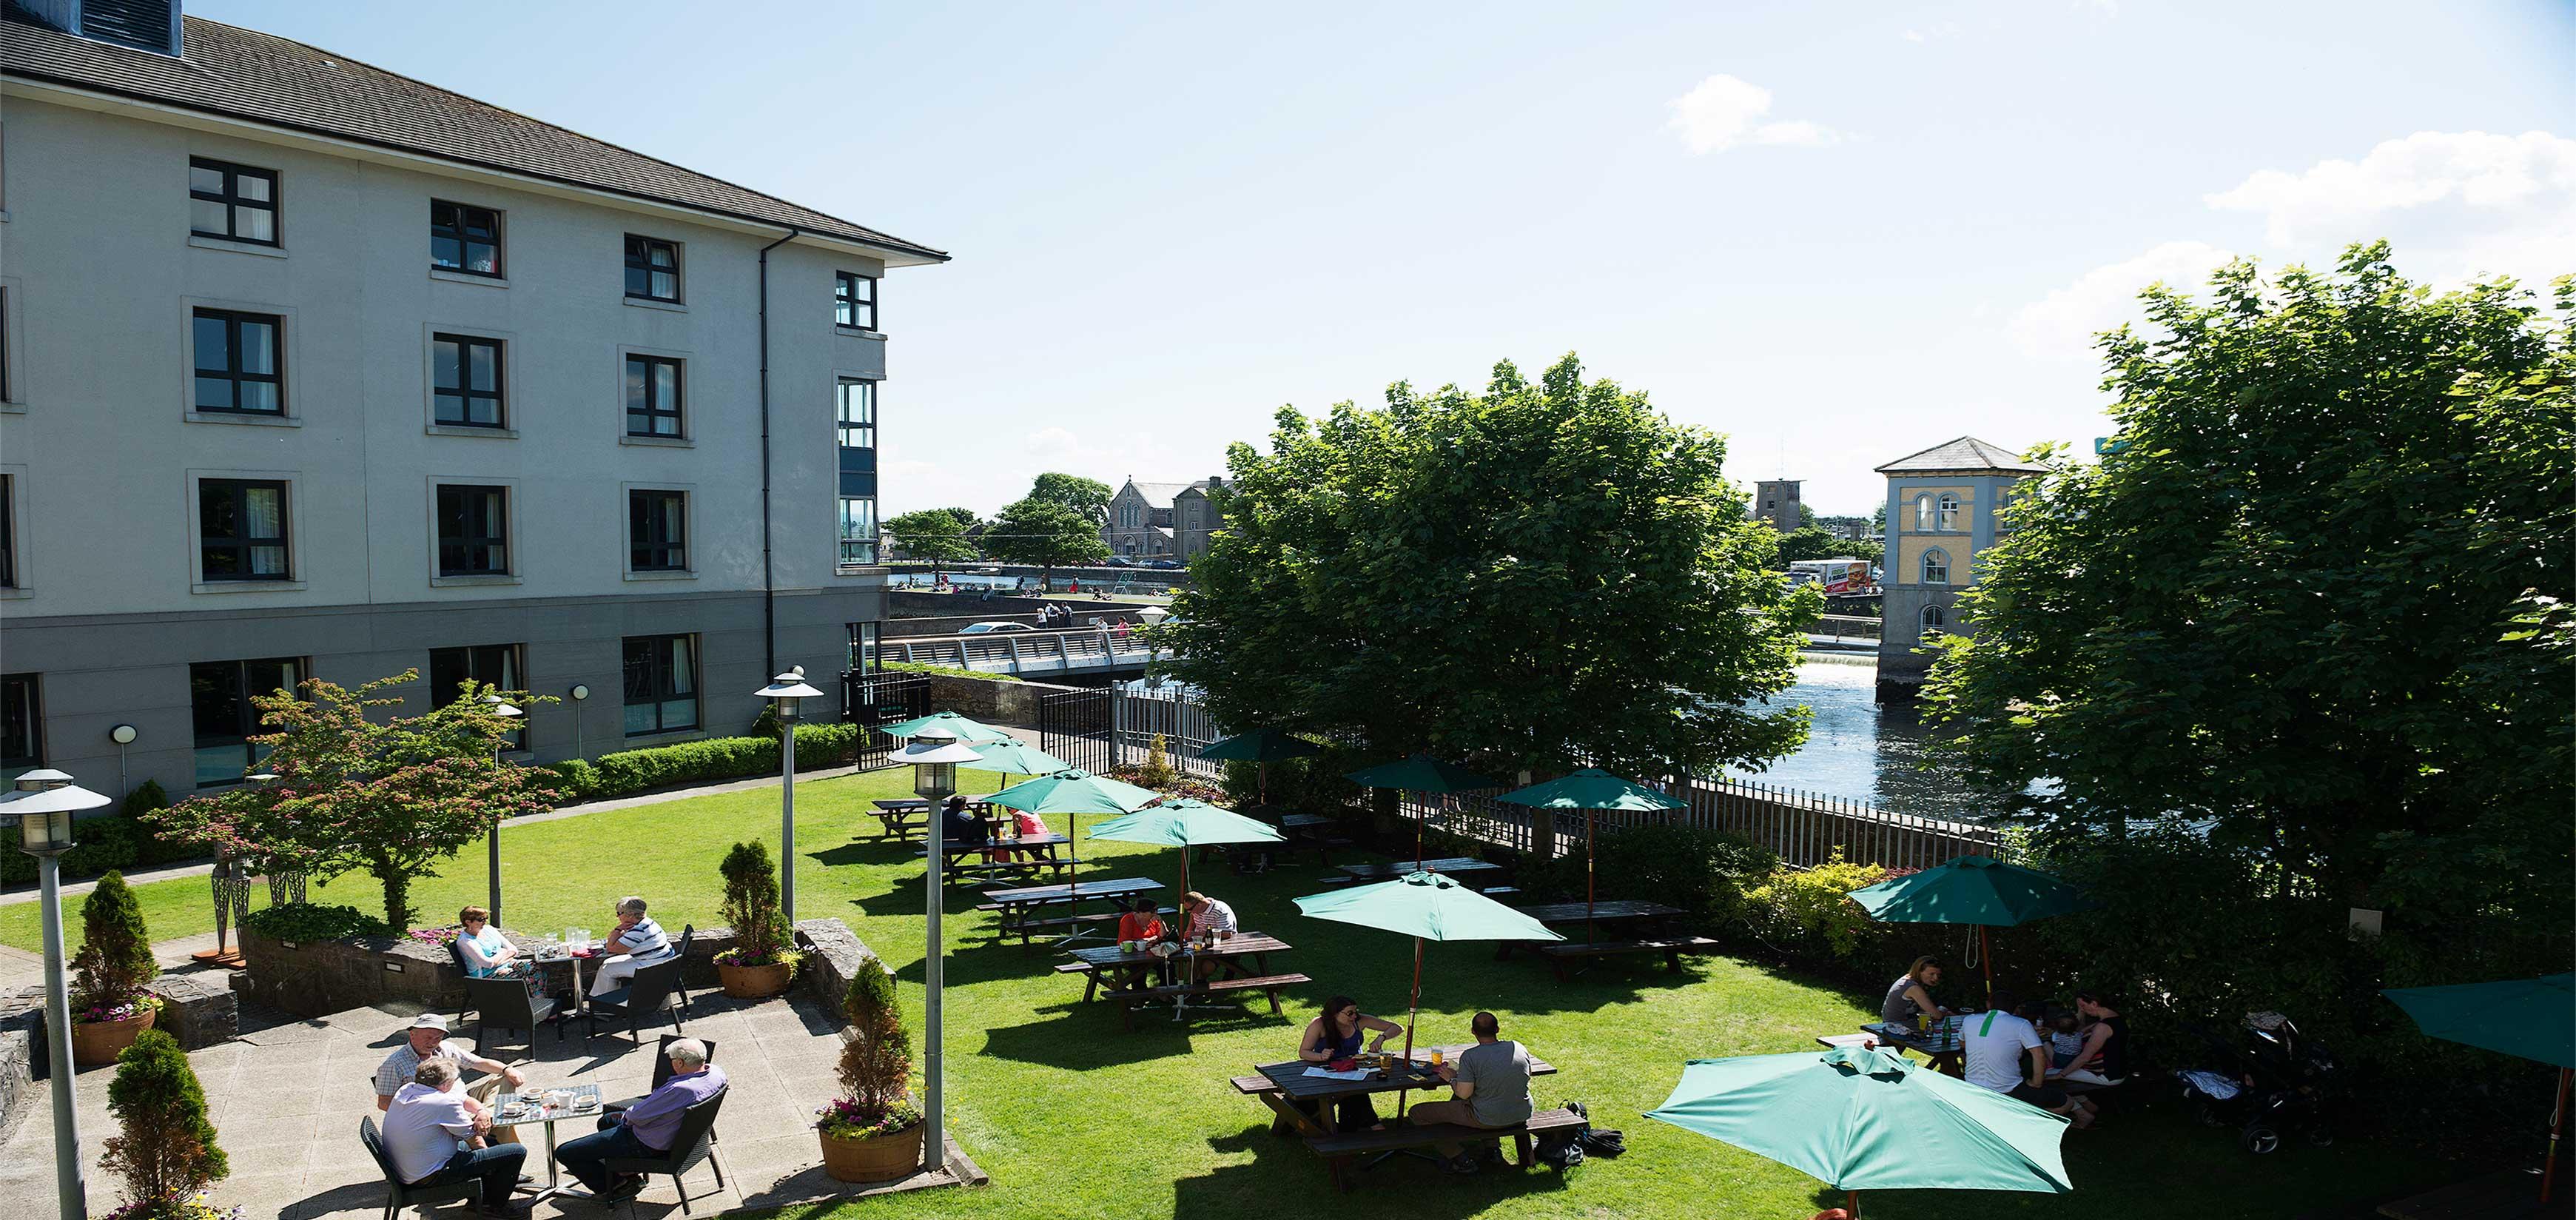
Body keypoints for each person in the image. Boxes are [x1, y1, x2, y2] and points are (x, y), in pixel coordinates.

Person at [553, 1038, 726, 1202]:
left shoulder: (680, 1089)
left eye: (672, 1059)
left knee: (566, 1152)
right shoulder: (717, 1073)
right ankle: (626, 1169)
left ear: (680, 1063)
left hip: (647, 1144)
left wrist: (626, 1119)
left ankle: (616, 1186)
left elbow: (635, 1116)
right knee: (606, 1121)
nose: (671, 1063)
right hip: (680, 1136)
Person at [382, 1058, 526, 1218]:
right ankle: (492, 1207)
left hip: (410, 1168)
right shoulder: (443, 1102)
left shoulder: (407, 1089)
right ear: (445, 1085)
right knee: (515, 1152)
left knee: (494, 1144)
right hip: (431, 1175)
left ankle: (478, 1201)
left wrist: (481, 1111)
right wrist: (488, 1164)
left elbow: (462, 1101)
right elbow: (474, 1139)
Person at [1405, 1011, 1535, 1175]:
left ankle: (1460, 1158)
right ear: (1498, 1029)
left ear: (1473, 1031)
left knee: (1417, 1113)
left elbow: (1463, 1094)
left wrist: (1452, 1079)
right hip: (1522, 1112)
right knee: (1487, 1097)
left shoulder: (1471, 1056)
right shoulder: (1518, 1047)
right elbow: (1526, 1074)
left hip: (1487, 1118)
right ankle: (1493, 1149)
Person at [1960, 993, 2093, 1127]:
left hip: (1972, 1086)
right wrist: (2036, 1083)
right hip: (2007, 1089)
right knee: (2066, 1102)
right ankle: (2022, 1122)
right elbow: (2039, 1055)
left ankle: (2083, 1115)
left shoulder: (1969, 1020)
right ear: (2017, 1009)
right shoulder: (2020, 1024)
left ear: (1988, 1004)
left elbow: (1963, 1044)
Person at [1294, 996, 1405, 1132]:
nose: (1354, 1016)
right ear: (1335, 1013)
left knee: (1352, 1089)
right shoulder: (1319, 1024)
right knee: (1353, 1091)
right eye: (1350, 1013)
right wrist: (1321, 1056)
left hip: (1354, 1067)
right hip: (1326, 1070)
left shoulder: (1360, 1021)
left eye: (1356, 1012)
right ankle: (1373, 1125)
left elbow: (1397, 1028)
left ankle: (1352, 1129)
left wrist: (1381, 1038)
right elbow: (1304, 1052)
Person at [375, 1013, 526, 1113]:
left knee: (506, 1080)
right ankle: (487, 1119)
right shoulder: (394, 1064)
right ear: (412, 1034)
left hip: (463, 1098)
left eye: (437, 1038)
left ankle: (486, 1117)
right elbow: (384, 1103)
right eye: (428, 1037)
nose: (432, 1043)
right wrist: (424, 1113)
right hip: (434, 1111)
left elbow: (480, 1063)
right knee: (500, 1119)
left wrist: (507, 1069)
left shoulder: (446, 1048)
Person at [588, 896, 676, 1001]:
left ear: (629, 915)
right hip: (662, 962)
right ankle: (608, 999)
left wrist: (618, 929)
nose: (617, 916)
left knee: (606, 970)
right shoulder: (647, 923)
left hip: (652, 967)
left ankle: (603, 1003)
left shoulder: (638, 931)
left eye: (619, 913)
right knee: (608, 962)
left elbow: (611, 948)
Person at [2057, 991, 2129, 1087]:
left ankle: (2070, 1102)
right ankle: (2083, 1103)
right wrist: (2081, 1011)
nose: (2082, 1009)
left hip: (2104, 1075)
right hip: (2116, 1072)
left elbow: (2085, 1057)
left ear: (2094, 1004)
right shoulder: (2115, 1017)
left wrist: (2060, 1075)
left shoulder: (2103, 1026)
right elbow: (2079, 1032)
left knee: (2045, 1073)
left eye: (2083, 1006)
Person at [1881, 956, 1951, 1028]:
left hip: (1898, 1025)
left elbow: (1925, 1011)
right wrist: (1944, 1011)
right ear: (1919, 971)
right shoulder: (1913, 988)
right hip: (1896, 1028)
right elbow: (1937, 1015)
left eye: (1938, 975)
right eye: (1931, 974)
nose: (1936, 978)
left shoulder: (1909, 979)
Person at [455, 906, 522, 979]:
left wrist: (496, 962)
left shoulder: (489, 929)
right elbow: (487, 964)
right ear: (468, 922)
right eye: (481, 919)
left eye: (486, 918)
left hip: (507, 963)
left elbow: (514, 950)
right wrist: (503, 952)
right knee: (523, 977)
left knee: (533, 966)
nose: (485, 921)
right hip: (487, 974)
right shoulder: (466, 941)